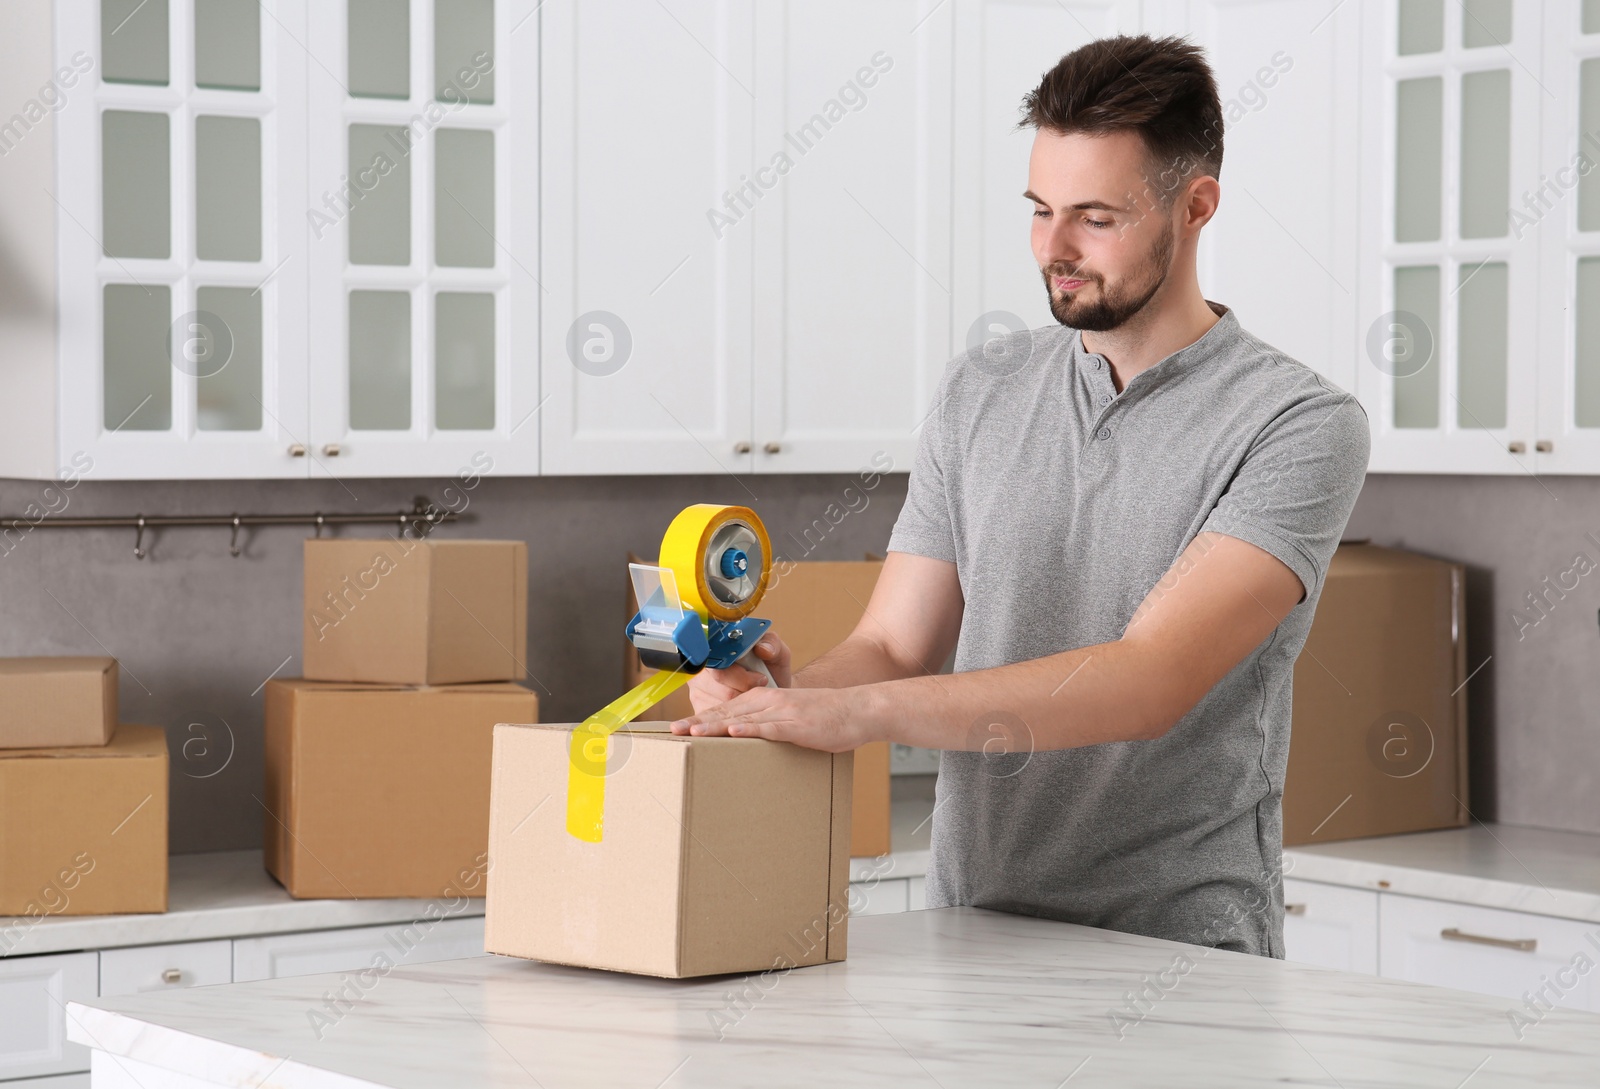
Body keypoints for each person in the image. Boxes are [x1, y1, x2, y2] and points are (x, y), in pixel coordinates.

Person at [670, 33, 1370, 958]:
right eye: (1040, 209)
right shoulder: (981, 390)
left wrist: (863, 717)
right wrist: (782, 698)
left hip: (1182, 954)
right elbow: (893, 643)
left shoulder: (1296, 422)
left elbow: (1150, 677)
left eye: (1096, 217)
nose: (1055, 249)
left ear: (1196, 206)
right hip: (974, 933)